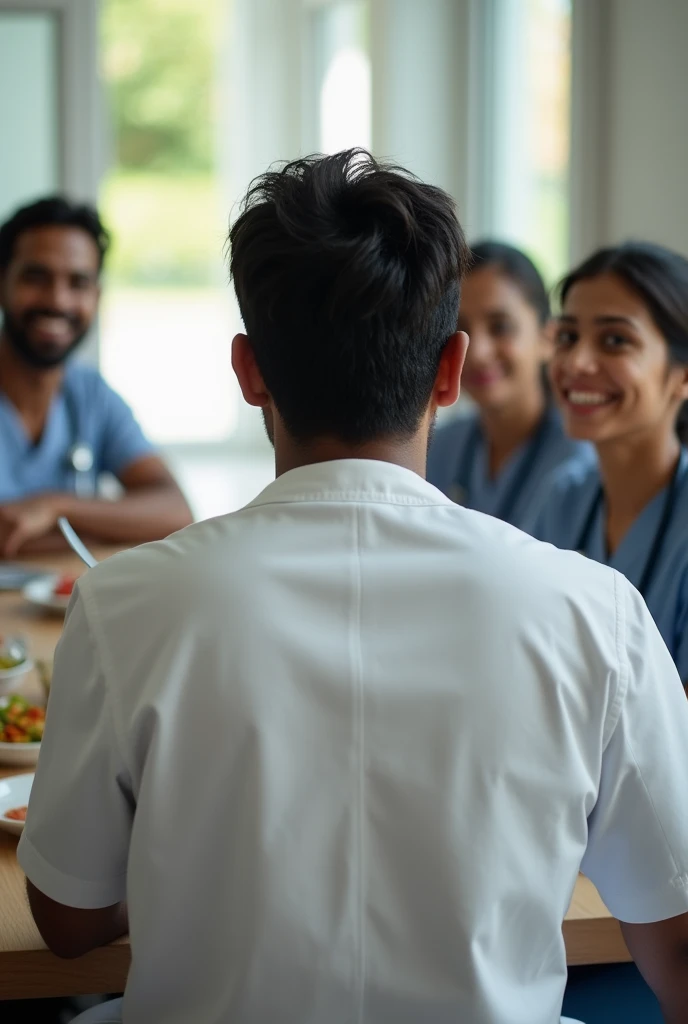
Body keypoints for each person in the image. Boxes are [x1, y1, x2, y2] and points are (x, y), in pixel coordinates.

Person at [16, 151, 688, 1024]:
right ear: (451, 371)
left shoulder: (125, 604)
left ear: (249, 370)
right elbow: (673, 940)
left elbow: (66, 921)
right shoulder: (595, 612)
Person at [0, 196, 192, 556]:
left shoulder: (91, 396)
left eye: (78, 282)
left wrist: (55, 506)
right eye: (36, 277)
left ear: (97, 296)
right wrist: (102, 530)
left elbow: (174, 511)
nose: (58, 300)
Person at [532, 242, 688, 684]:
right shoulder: (561, 498)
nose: (577, 362)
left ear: (683, 375)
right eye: (567, 337)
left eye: (615, 341)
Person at [426, 241, 592, 529]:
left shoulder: (580, 464)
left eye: (500, 327)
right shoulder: (438, 448)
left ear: (547, 338)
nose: (476, 352)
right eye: (459, 327)